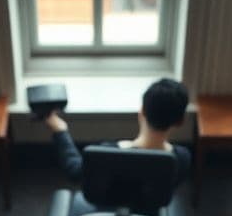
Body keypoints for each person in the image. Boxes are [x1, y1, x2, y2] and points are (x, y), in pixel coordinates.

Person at [44, 78, 191, 184]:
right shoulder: (182, 159)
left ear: (142, 112)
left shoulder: (106, 154)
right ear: (180, 121)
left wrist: (60, 131)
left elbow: (74, 170)